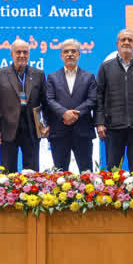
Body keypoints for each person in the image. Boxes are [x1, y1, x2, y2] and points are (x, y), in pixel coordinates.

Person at [95, 29, 133, 170]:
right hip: (113, 127)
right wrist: (99, 123)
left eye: (130, 40)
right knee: (113, 171)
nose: (126, 42)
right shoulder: (105, 67)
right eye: (123, 40)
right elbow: (99, 97)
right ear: (117, 44)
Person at [0, 39, 46, 172]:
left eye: (25, 52)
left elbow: (45, 103)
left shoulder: (38, 74)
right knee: (8, 172)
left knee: (32, 172)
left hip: (32, 128)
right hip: (7, 129)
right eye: (18, 52)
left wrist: (45, 125)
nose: (22, 55)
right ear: (12, 54)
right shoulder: (0, 73)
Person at [44, 39, 97, 172]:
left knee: (86, 173)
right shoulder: (52, 77)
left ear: (79, 55)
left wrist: (74, 114)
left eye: (73, 51)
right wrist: (64, 113)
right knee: (60, 175)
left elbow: (92, 99)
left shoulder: (89, 77)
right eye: (66, 52)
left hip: (83, 131)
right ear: (61, 55)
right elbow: (49, 99)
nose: (70, 54)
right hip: (59, 131)